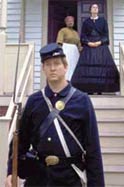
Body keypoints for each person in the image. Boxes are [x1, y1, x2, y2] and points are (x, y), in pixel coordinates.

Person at [5, 43, 105, 187]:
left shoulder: (82, 100)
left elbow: (92, 149)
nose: (52, 68)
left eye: (57, 64)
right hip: (38, 177)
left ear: (65, 67)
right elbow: (20, 142)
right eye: (47, 64)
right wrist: (11, 172)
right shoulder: (34, 101)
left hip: (70, 177)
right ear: (43, 69)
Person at [71, 3, 120, 94]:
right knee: (88, 70)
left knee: (100, 69)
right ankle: (89, 89)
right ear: (90, 10)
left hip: (100, 48)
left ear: (98, 10)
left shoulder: (103, 21)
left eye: (96, 7)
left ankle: (99, 90)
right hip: (88, 48)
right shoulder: (86, 22)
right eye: (93, 7)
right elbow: (83, 35)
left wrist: (99, 42)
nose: (95, 9)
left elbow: (106, 35)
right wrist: (88, 43)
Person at [56, 16, 82, 81]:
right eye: (69, 21)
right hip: (66, 50)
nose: (70, 22)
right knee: (67, 66)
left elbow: (79, 45)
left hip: (75, 51)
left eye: (72, 21)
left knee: (74, 67)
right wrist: (60, 53)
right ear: (66, 22)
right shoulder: (63, 30)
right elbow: (59, 43)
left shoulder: (76, 32)